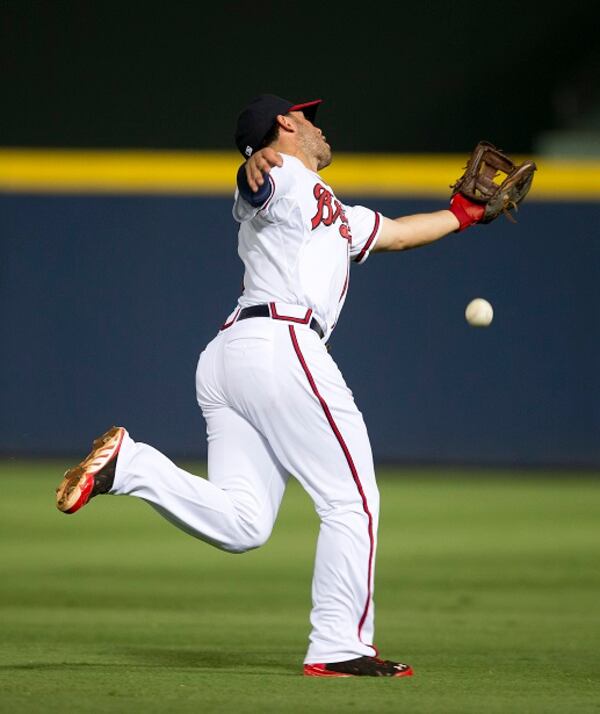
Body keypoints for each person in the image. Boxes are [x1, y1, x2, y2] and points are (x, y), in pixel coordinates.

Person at [55, 94, 485, 678]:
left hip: (231, 357)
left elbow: (400, 234)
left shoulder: (333, 208)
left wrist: (463, 214)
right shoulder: (280, 176)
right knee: (352, 500)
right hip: (281, 343)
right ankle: (339, 644)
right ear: (285, 125)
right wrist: (250, 168)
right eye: (305, 115)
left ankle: (129, 466)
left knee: (243, 523)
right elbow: (255, 188)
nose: (316, 121)